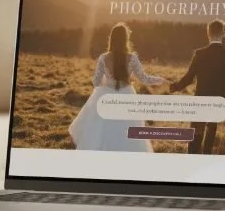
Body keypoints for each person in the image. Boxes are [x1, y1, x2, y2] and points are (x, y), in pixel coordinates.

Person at [69, 23, 167, 151]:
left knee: (102, 129)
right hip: (127, 95)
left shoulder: (103, 58)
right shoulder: (132, 58)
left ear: (111, 39)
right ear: (126, 39)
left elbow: (96, 82)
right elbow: (144, 78)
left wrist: (105, 80)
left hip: (106, 96)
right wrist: (160, 80)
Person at [170, 19, 225, 154]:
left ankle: (192, 166)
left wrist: (173, 87)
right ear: (223, 34)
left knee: (194, 140)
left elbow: (189, 78)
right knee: (209, 141)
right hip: (218, 104)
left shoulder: (199, 54)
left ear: (208, 34)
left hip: (200, 103)